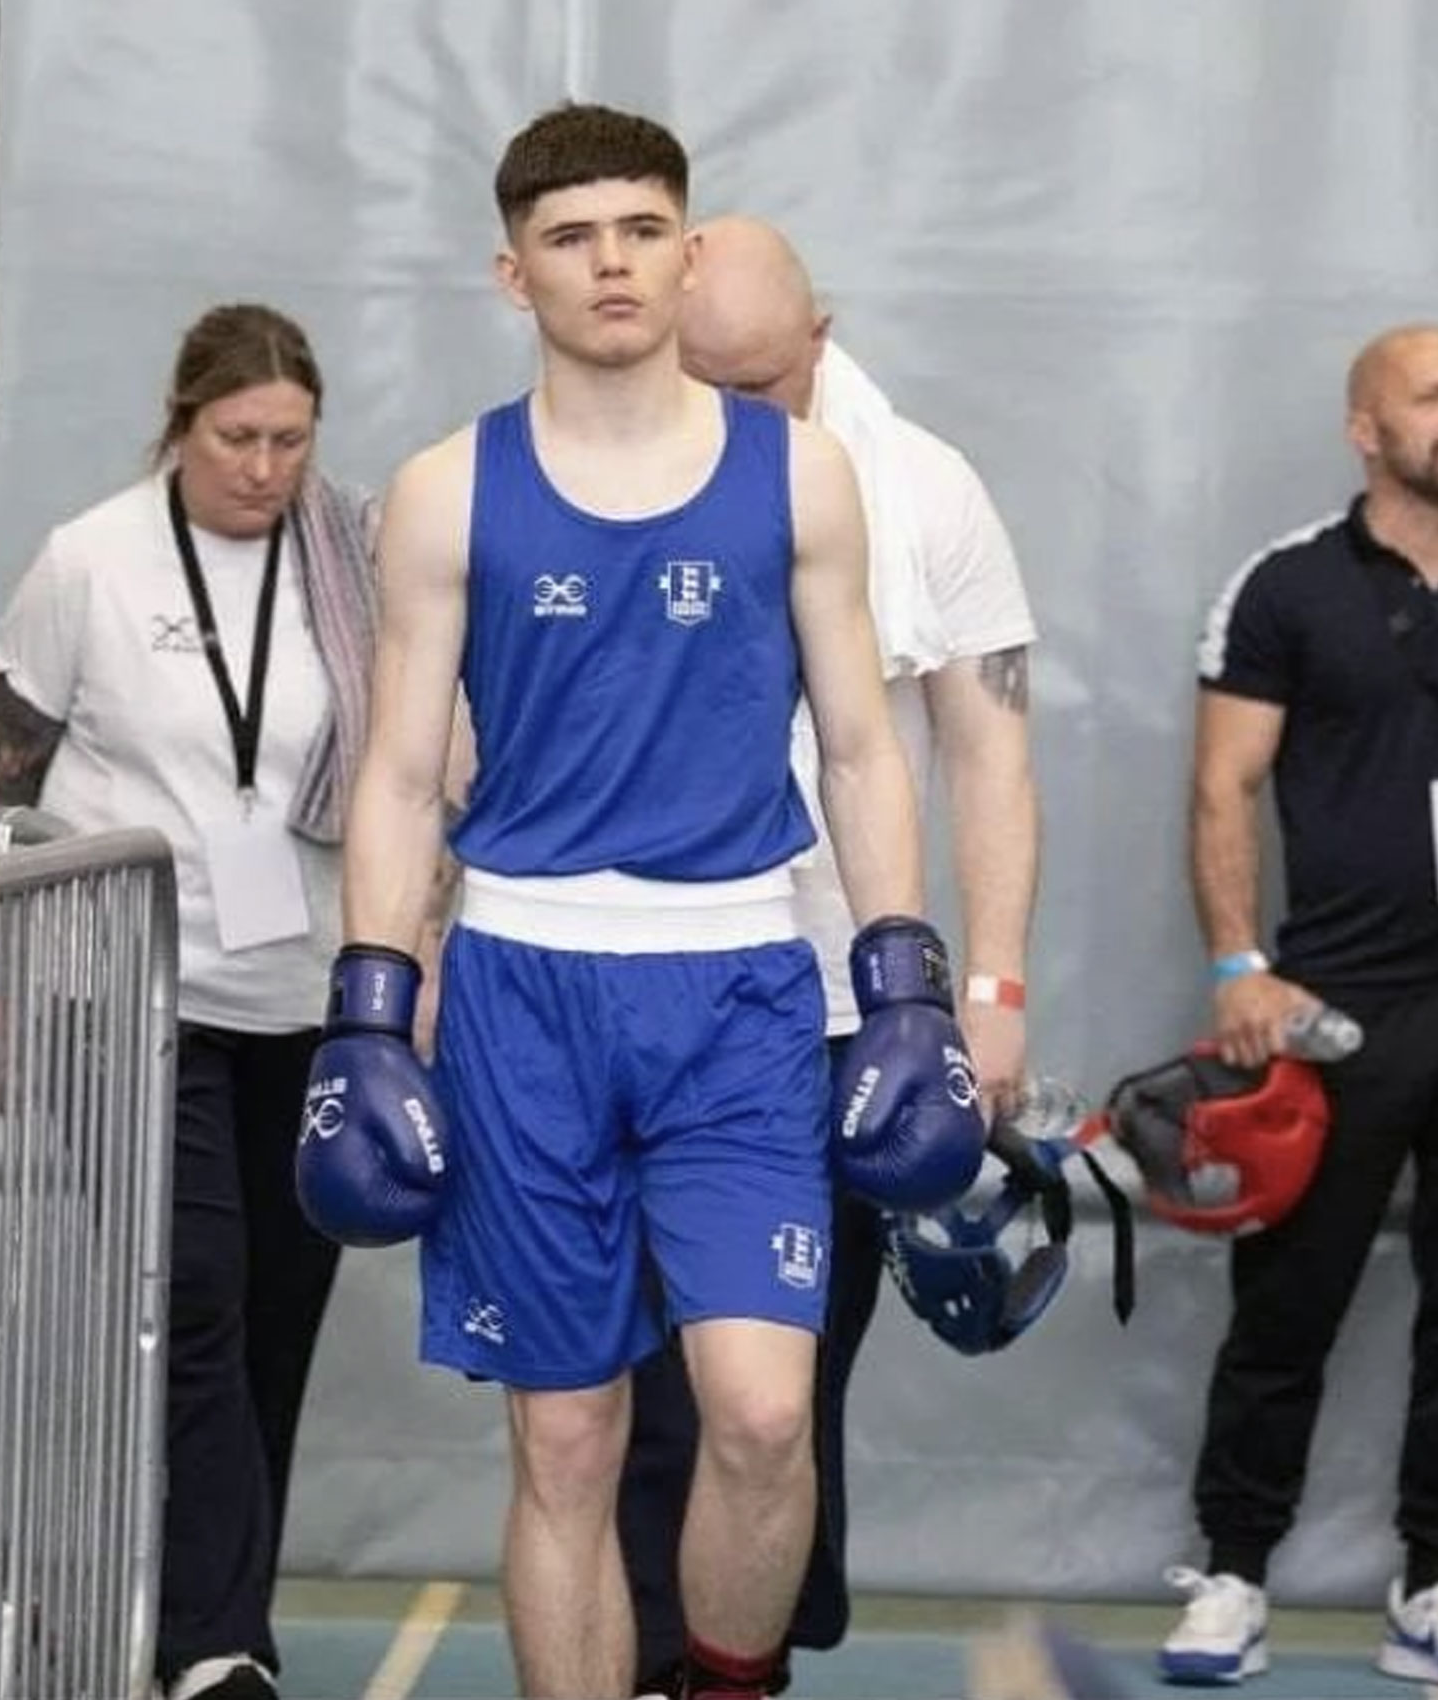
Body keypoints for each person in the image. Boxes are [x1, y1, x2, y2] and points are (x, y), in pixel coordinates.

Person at [293, 104, 985, 1700]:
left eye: (640, 229)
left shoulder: (800, 475)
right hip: (524, 992)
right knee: (568, 1436)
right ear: (512, 272)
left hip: (739, 989)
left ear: (686, 251)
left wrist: (908, 981)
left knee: (761, 1413)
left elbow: (865, 749)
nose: (609, 263)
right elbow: (397, 775)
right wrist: (371, 1009)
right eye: (569, 236)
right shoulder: (446, 491)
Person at [616, 216, 1040, 1694]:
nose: (737, 410)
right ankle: (657, 1657)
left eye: (763, 381)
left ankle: (743, 1657)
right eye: (706, 379)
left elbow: (988, 751)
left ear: (822, 338)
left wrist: (991, 990)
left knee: (788, 1377)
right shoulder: (601, 469)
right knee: (646, 1377)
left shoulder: (922, 487)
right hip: (640, 977)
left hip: (846, 1004)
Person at [0, 302, 378, 1700]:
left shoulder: (352, 563)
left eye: (291, 442)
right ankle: (215, 1648)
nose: (266, 470)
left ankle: (210, 1613)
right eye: (237, 438)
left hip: (304, 992)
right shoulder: (90, 559)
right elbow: (4, 776)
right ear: (180, 423)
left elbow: (407, 771)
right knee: (191, 1289)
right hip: (124, 986)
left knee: (277, 1310)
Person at [1163, 324, 1438, 1693]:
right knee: (1289, 1306)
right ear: (1364, 429)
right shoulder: (1289, 588)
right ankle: (1234, 1574)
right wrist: (1238, 967)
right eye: (1432, 396)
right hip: (1339, 1015)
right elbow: (1222, 786)